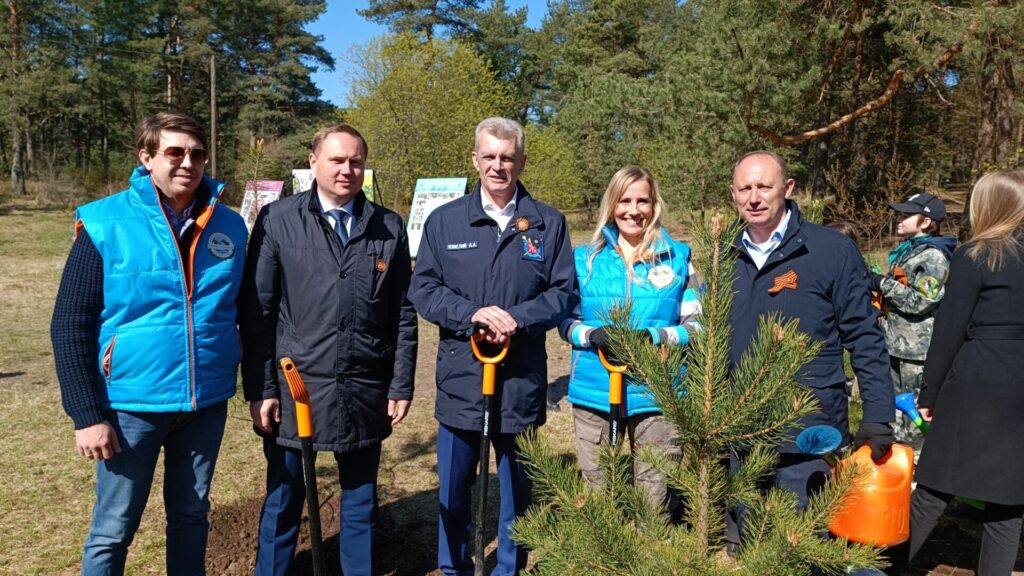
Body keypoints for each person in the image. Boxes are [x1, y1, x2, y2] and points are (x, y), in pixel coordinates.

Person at [50, 112, 247, 575]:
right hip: (129, 409)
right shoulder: (105, 222)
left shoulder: (231, 226)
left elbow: (247, 311)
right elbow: (69, 324)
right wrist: (86, 415)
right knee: (113, 529)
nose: (188, 163)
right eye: (174, 152)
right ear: (147, 157)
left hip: (205, 404)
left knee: (192, 517)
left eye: (197, 154)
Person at [240, 125, 417, 576]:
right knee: (283, 500)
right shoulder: (278, 220)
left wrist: (400, 383)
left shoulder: (388, 227)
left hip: (364, 387)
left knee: (360, 503)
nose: (347, 170)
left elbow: (402, 312)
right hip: (295, 388)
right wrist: (261, 389)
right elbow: (258, 311)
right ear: (314, 162)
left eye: (356, 161)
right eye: (337, 160)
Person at [408, 117, 576, 576]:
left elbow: (564, 294)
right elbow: (423, 289)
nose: (498, 166)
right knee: (454, 486)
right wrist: (473, 315)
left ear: (521, 161)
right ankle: (454, 566)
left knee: (518, 486)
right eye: (490, 157)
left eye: (507, 157)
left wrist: (516, 319)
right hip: (463, 375)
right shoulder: (445, 222)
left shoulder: (548, 223)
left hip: (520, 376)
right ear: (475, 159)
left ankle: (508, 567)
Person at [726, 151, 895, 535]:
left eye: (764, 186)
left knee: (802, 541)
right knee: (748, 543)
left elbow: (865, 337)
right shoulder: (723, 254)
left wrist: (878, 414)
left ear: (787, 188)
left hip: (809, 426)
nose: (754, 197)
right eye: (744, 188)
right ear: (733, 194)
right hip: (741, 426)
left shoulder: (830, 251)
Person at [558, 165, 700, 514]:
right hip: (595, 387)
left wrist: (652, 336)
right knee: (597, 486)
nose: (633, 210)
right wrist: (592, 334)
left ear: (655, 205)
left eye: (643, 201)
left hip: (658, 388)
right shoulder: (584, 260)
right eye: (624, 200)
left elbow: (698, 324)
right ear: (612, 204)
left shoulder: (679, 258)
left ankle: (651, 555)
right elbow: (562, 320)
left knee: (654, 494)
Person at [908, 171, 1024, 575]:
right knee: (1007, 507)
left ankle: (884, 567)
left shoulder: (975, 254)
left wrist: (929, 393)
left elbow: (949, 329)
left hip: (976, 381)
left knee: (935, 487)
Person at [870, 192, 956, 453]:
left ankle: (918, 472)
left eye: (907, 215)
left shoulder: (933, 257)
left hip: (916, 352)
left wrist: (880, 282)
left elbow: (920, 302)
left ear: (926, 222)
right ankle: (896, 467)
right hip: (894, 344)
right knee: (894, 411)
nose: (900, 219)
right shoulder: (907, 250)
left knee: (915, 419)